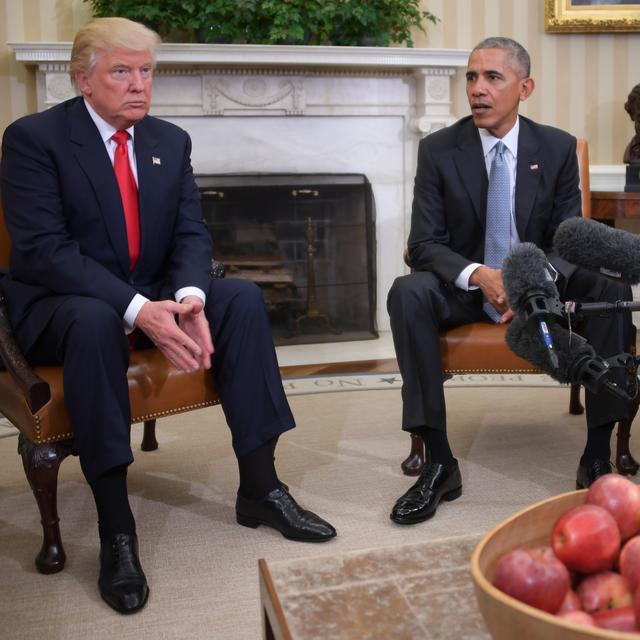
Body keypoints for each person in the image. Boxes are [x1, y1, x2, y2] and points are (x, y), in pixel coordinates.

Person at [0, 17, 336, 614]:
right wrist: (137, 310)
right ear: (83, 79)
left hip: (150, 290)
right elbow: (45, 251)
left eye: (147, 70)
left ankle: (261, 488)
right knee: (94, 318)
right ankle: (117, 531)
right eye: (122, 71)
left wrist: (188, 299)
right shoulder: (34, 139)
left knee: (242, 299)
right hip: (57, 306)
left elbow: (189, 231)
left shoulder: (168, 141)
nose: (139, 85)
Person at [387, 36, 634, 526]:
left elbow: (567, 240)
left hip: (540, 283)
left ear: (525, 87)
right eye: (471, 78)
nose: (477, 89)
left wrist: (524, 284)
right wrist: (481, 275)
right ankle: (439, 462)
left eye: (492, 78)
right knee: (407, 291)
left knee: (612, 290)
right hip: (466, 287)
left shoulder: (557, 147)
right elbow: (424, 243)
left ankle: (597, 455)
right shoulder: (439, 149)